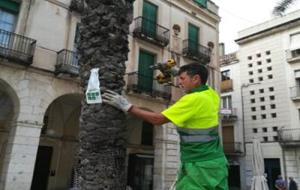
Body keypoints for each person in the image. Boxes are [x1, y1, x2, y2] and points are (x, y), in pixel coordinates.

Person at [102, 63, 228, 190]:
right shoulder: (211, 94)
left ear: (195, 79)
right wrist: (175, 71)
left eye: (182, 79)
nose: (179, 83)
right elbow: (201, 84)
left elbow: (158, 119)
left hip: (199, 166)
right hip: (216, 162)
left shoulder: (193, 99)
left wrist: (127, 107)